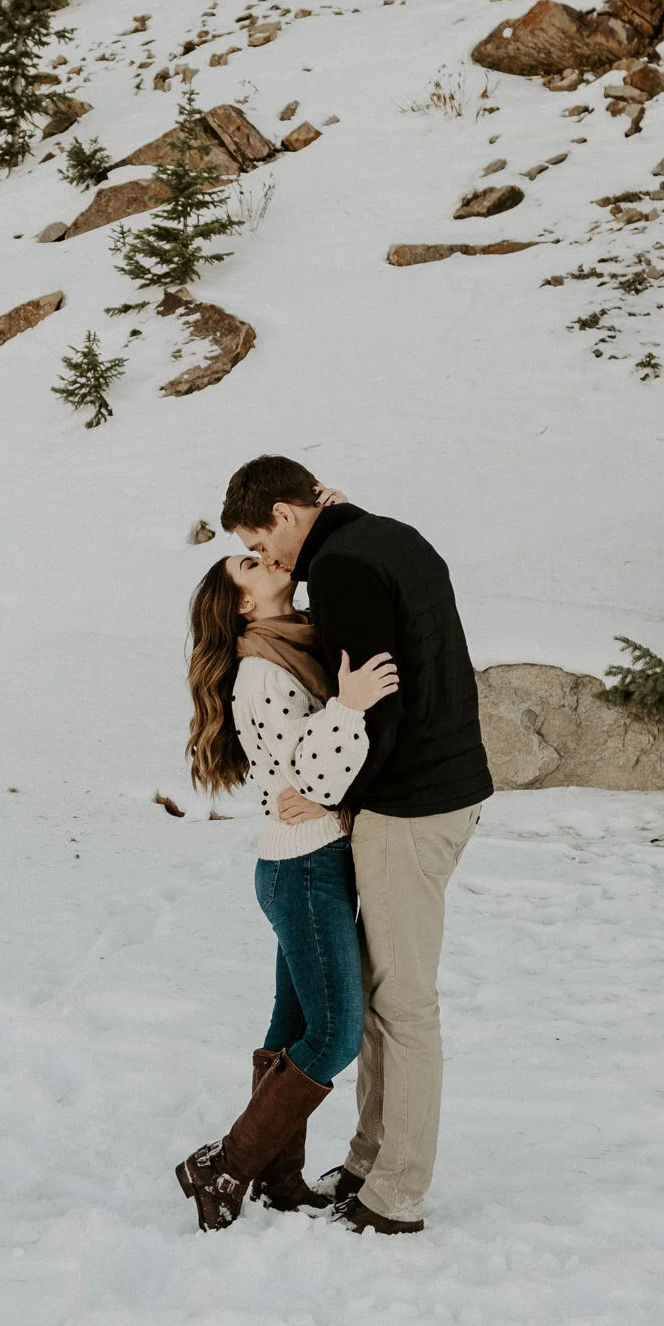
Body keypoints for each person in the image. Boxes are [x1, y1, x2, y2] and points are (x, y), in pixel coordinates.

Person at [222, 457, 492, 1235]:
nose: (272, 563)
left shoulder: (340, 566)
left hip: (411, 805)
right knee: (379, 989)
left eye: (259, 542)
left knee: (402, 1002)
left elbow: (380, 699)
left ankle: (394, 1191)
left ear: (282, 513)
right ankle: (370, 1157)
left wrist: (331, 788)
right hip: (443, 791)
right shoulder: (385, 536)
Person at [176, 549, 401, 1232]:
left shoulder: (291, 642)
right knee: (333, 1036)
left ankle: (277, 1178)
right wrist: (350, 705)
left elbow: (315, 783)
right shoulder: (260, 673)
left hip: (307, 859)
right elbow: (312, 770)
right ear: (243, 603)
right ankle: (225, 1163)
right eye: (249, 562)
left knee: (294, 1028)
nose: (265, 557)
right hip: (303, 868)